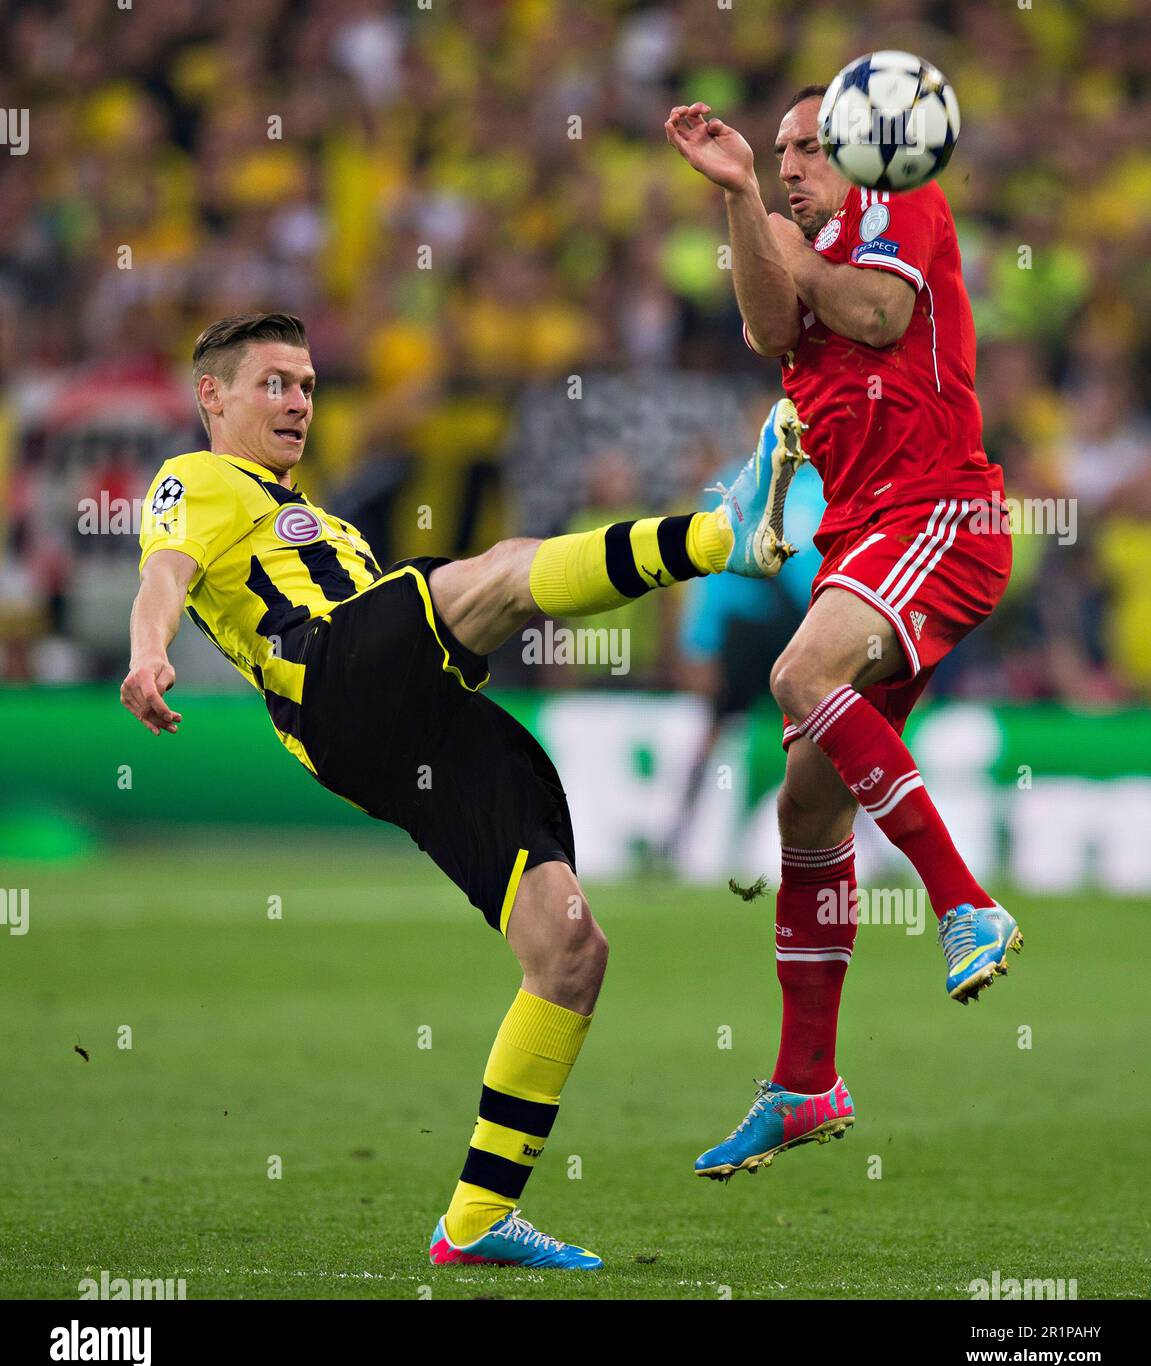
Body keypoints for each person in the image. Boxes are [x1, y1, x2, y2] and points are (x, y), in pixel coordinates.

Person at [120, 311, 804, 1265]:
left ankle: (477, 1219)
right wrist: (148, 652)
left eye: (309, 384)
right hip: (332, 681)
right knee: (504, 572)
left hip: (410, 727)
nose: (297, 402)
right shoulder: (194, 481)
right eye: (274, 382)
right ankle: (719, 538)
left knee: (569, 949)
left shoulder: (298, 507)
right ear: (213, 396)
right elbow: (165, 573)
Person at [666, 86, 1021, 1181]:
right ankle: (804, 1083)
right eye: (776, 154)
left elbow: (870, 315)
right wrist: (738, 205)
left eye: (809, 149)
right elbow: (769, 324)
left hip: (938, 515)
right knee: (805, 801)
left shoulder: (900, 204)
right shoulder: (777, 228)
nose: (789, 167)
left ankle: (964, 904)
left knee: (794, 670)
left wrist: (788, 243)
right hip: (861, 537)